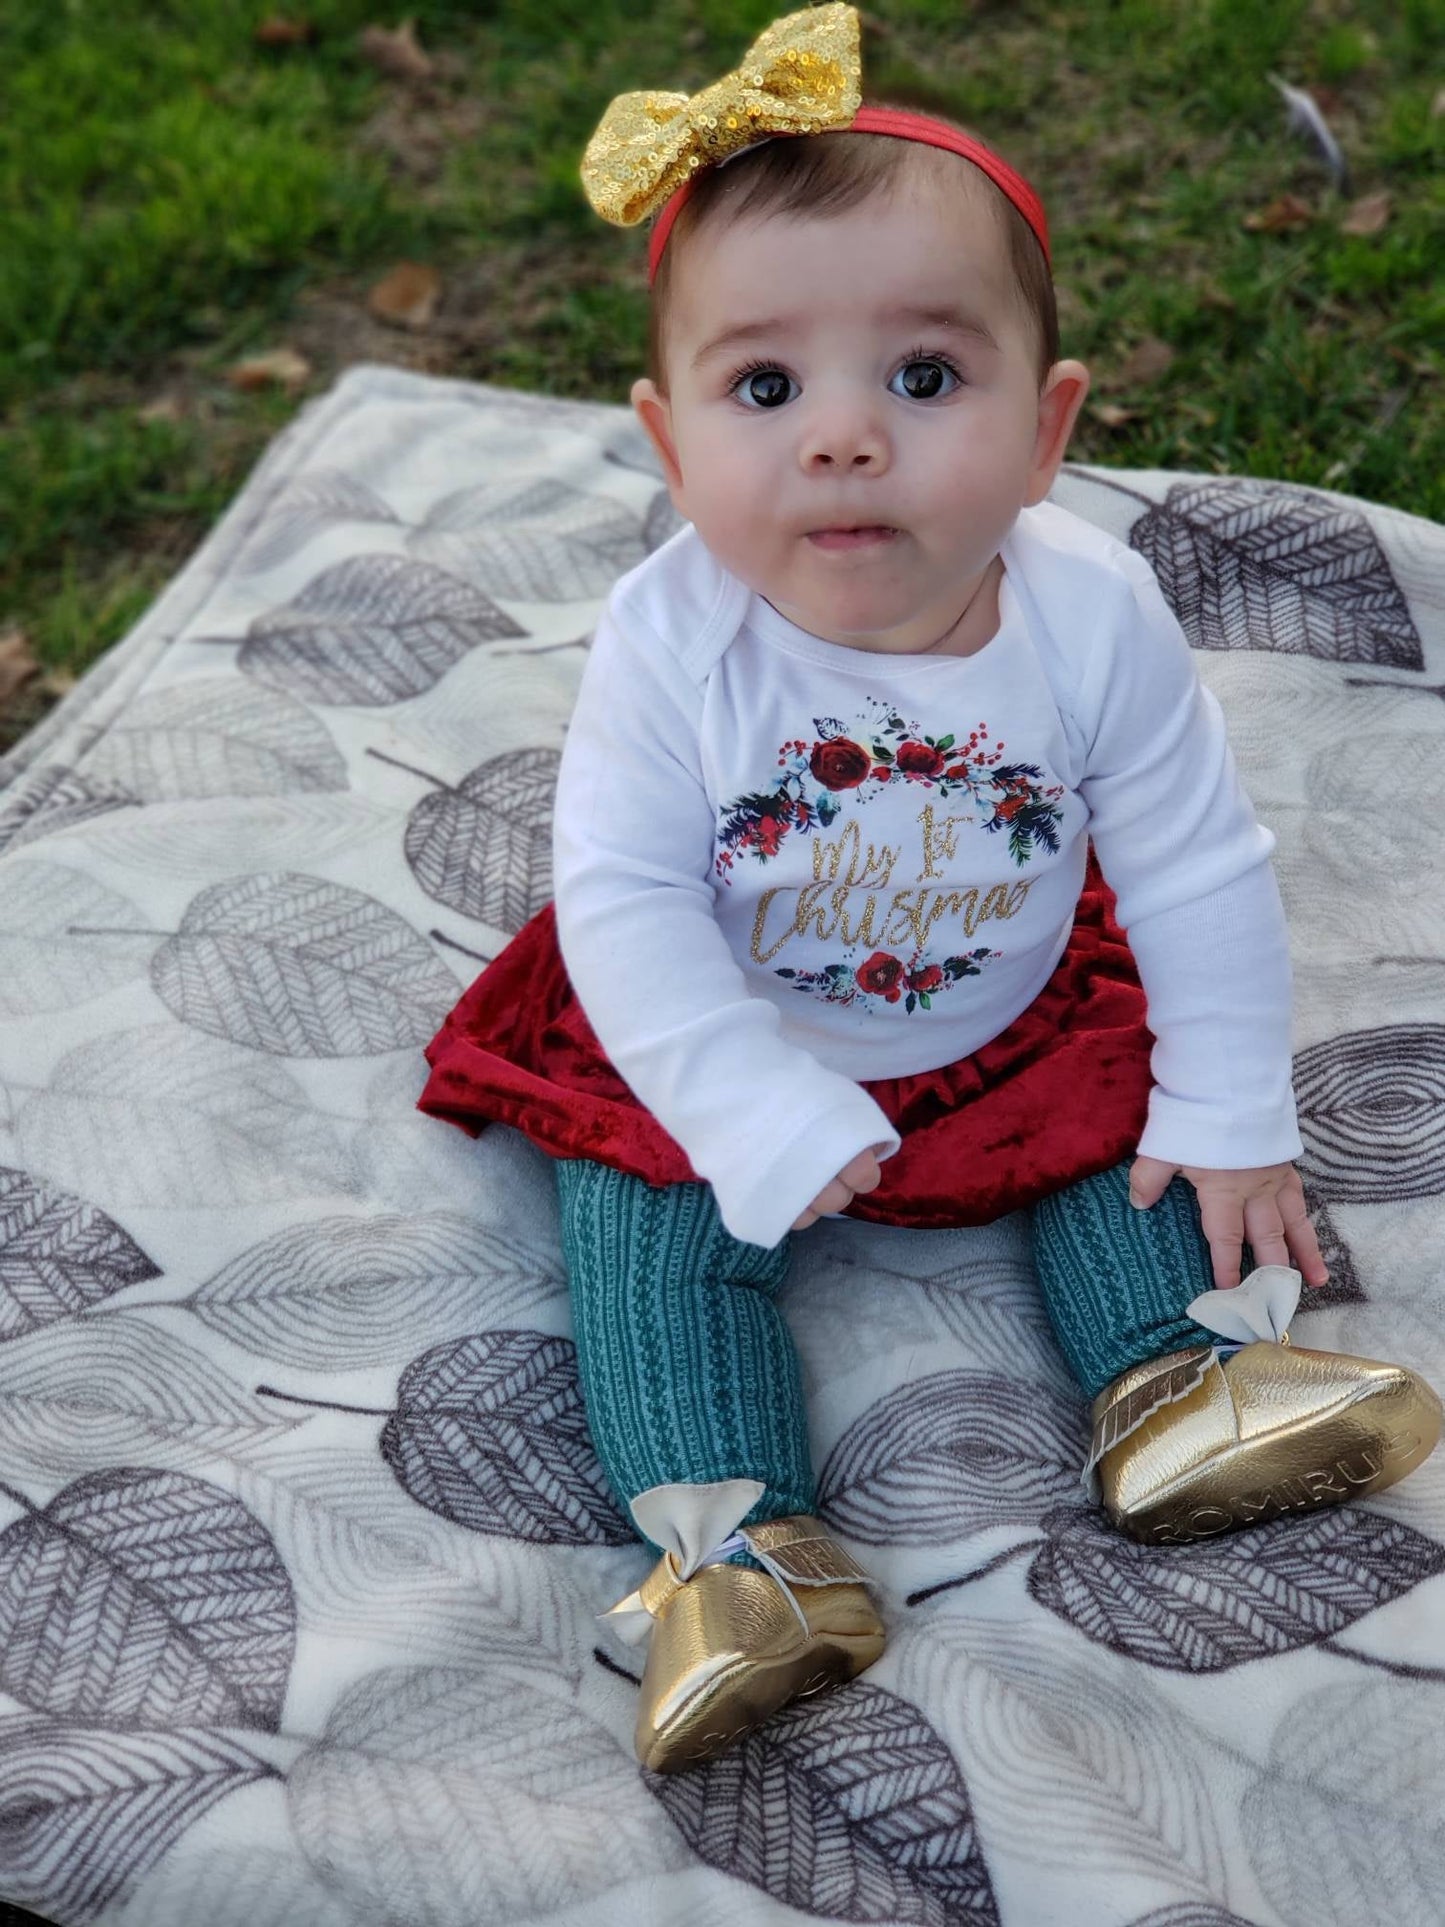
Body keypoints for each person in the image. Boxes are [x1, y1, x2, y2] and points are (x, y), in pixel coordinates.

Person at [419, 3, 1441, 1773]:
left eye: (920, 376)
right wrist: (742, 1101)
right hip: (724, 1011)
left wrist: (1229, 1104)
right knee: (646, 1230)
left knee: (1124, 1120)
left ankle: (1181, 1381)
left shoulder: (1089, 609)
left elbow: (1194, 856)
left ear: (1046, 433)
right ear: (668, 447)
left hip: (1004, 992)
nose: (842, 437)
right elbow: (628, 900)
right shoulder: (671, 644)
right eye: (764, 387)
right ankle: (734, 1554)